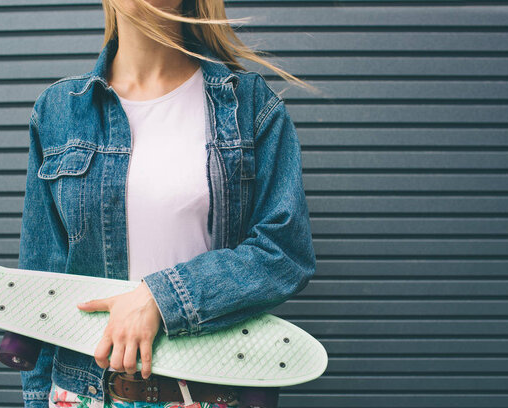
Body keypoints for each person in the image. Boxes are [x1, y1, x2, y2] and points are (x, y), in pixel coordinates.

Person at [17, 0, 319, 407]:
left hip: (207, 394)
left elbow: (284, 253)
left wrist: (162, 297)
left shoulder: (249, 105)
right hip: (82, 394)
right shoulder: (58, 111)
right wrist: (35, 399)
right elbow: (40, 291)